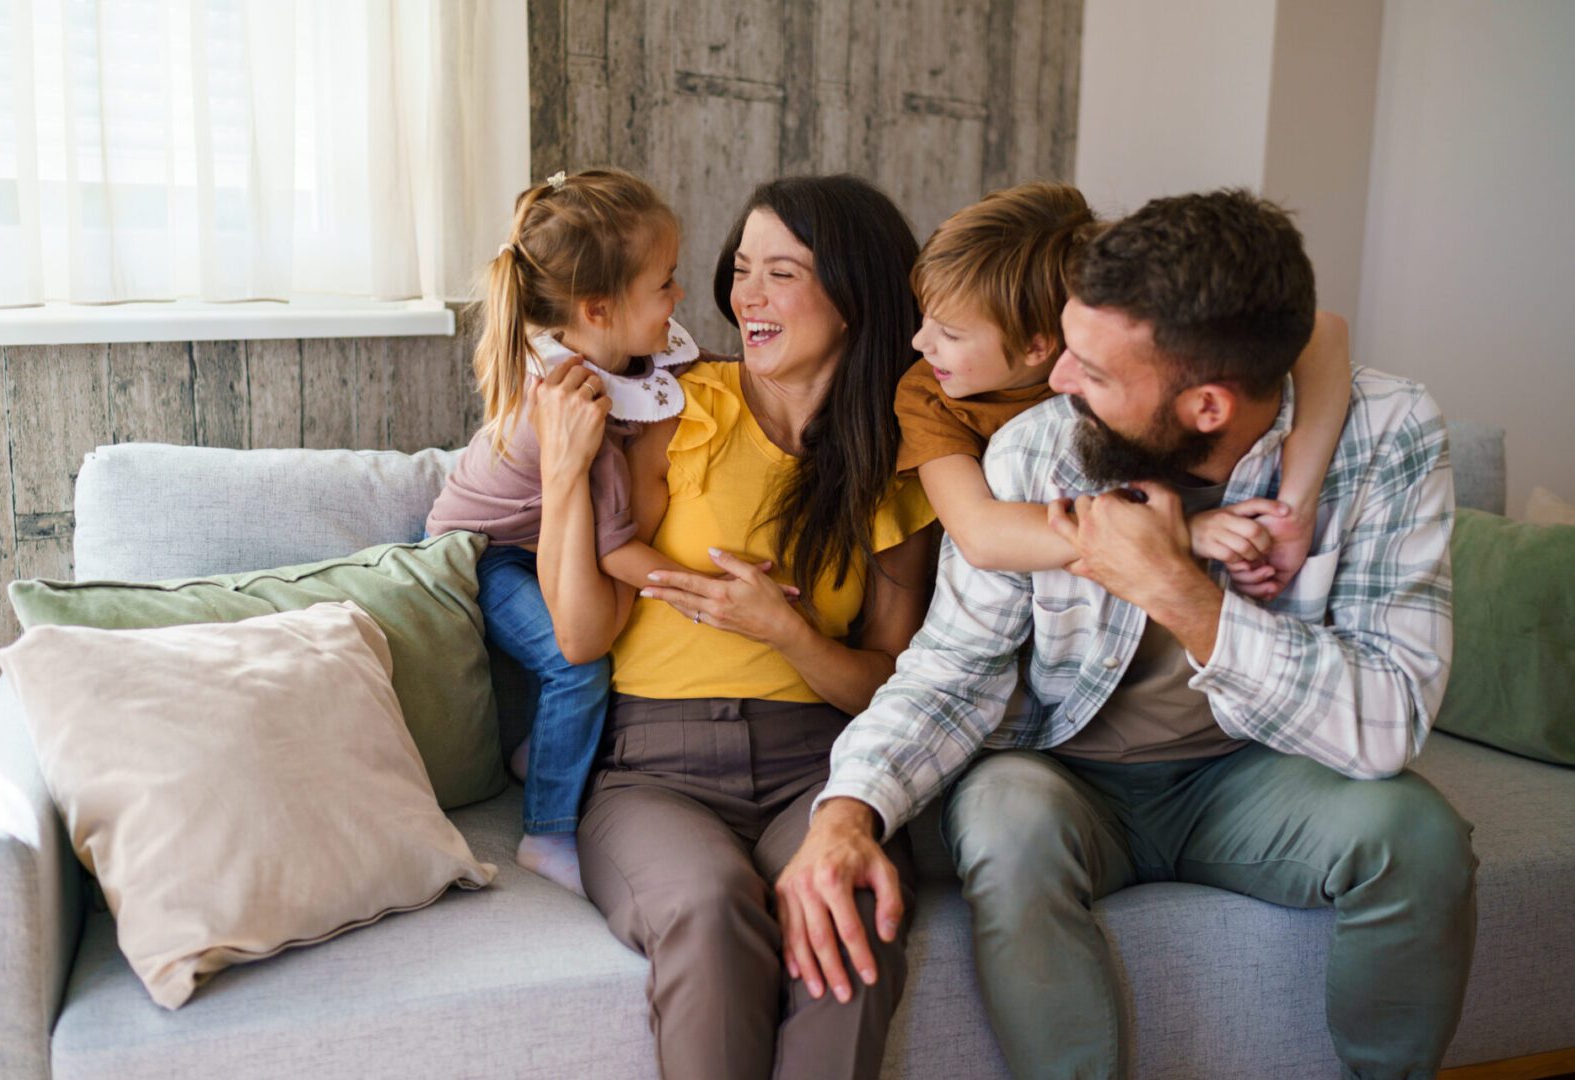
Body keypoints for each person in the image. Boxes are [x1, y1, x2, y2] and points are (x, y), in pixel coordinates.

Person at [780, 189, 1476, 1079]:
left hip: (1254, 773)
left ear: (1208, 406)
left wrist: (1185, 598)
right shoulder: (1035, 448)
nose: (1057, 382)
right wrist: (848, 811)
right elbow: (952, 668)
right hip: (1067, 777)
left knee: (1415, 834)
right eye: (1064, 349)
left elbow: (1387, 721)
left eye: (1093, 371)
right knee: (1003, 816)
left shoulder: (1387, 434)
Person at [531, 174, 937, 1080]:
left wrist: (786, 634)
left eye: (781, 273)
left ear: (852, 295)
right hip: (654, 773)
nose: (745, 296)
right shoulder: (676, 410)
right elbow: (581, 634)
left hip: (823, 769)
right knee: (711, 906)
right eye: (740, 269)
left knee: (848, 903)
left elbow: (895, 683)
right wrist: (563, 476)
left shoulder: (897, 467)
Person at [425, 167, 698, 896]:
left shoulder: (599, 362)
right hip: (479, 557)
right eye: (665, 284)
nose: (678, 298)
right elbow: (614, 549)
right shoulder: (574, 413)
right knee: (577, 664)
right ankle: (546, 833)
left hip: (526, 535)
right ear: (598, 309)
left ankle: (540, 752)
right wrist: (703, 589)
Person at [897, 179, 1351, 597]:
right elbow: (980, 535)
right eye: (923, 318)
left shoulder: (1113, 333)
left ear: (1040, 344)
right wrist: (1185, 533)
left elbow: (1321, 330)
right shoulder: (930, 396)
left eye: (951, 334)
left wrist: (1297, 504)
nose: (919, 343)